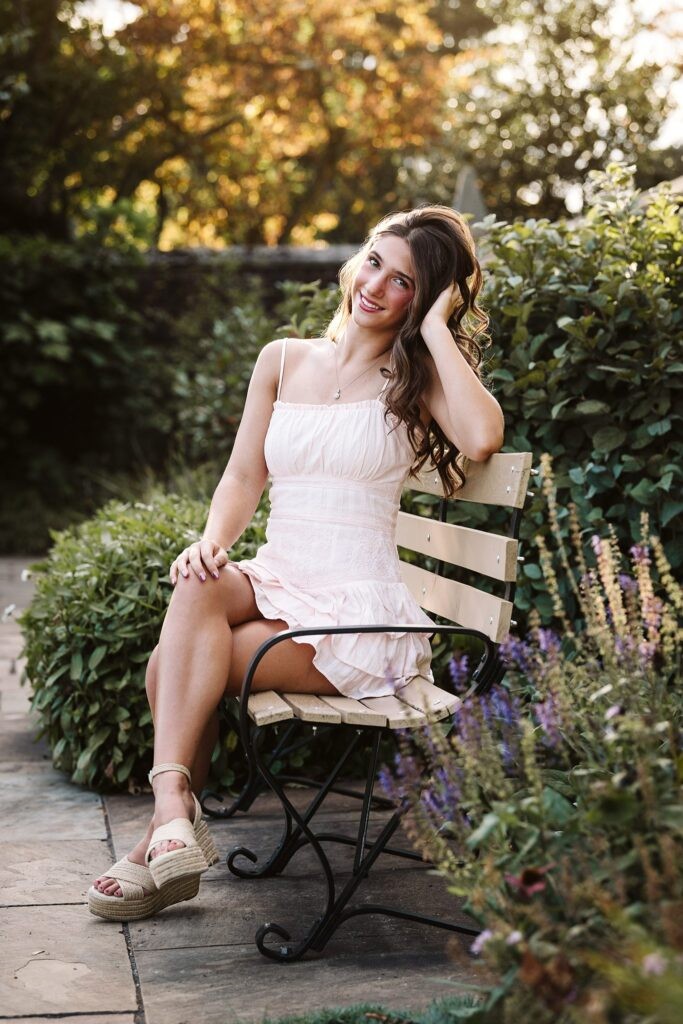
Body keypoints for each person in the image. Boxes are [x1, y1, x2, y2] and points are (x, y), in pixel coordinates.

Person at [88, 204, 505, 921]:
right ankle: (172, 812)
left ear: (424, 299)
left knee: (175, 662)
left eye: (403, 282)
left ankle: (163, 827)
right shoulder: (282, 359)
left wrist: (437, 329)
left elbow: (481, 437)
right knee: (198, 580)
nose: (374, 285)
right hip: (280, 577)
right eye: (373, 260)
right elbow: (243, 476)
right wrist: (213, 538)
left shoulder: (414, 378)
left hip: (354, 615)